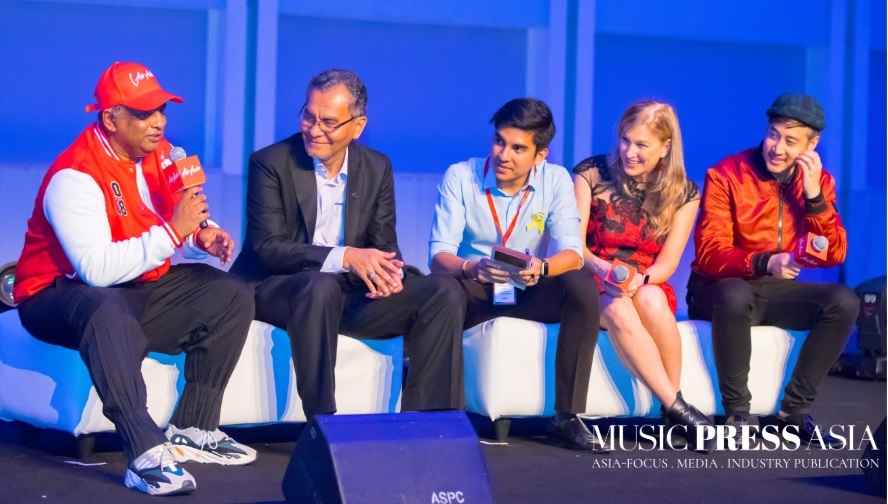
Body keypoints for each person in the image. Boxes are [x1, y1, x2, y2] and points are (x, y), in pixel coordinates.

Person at [13, 62, 257, 496]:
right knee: (104, 305)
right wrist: (173, 232)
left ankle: (194, 427)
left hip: (132, 286)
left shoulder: (162, 155)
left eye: (161, 110)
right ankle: (144, 451)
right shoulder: (76, 175)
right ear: (110, 118)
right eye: (144, 114)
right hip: (55, 294)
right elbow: (97, 271)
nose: (158, 122)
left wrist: (204, 233)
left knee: (230, 293)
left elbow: (173, 212)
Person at [230, 69, 465, 421]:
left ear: (357, 126)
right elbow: (268, 248)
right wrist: (347, 257)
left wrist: (388, 274)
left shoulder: (376, 167)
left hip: (348, 293)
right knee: (319, 286)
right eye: (308, 116)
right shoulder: (270, 163)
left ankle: (429, 424)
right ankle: (322, 423)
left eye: (328, 122)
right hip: (281, 287)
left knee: (443, 291)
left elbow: (385, 245)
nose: (313, 128)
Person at [429, 98, 608, 453]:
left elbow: (572, 254)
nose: (503, 155)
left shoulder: (555, 180)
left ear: (540, 155)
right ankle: (444, 415)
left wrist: (541, 268)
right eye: (499, 141)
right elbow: (438, 256)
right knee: (439, 289)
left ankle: (566, 418)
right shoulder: (460, 176)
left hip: (527, 288)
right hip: (474, 290)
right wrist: (472, 268)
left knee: (580, 286)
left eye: (517, 148)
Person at [687, 93, 859, 446]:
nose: (777, 148)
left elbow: (834, 252)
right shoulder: (725, 174)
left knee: (843, 301)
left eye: (790, 141)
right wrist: (767, 261)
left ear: (813, 145)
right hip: (716, 288)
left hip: (770, 289)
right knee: (735, 293)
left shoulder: (819, 182)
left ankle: (791, 414)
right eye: (773, 135)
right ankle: (737, 413)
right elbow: (709, 253)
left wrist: (814, 198)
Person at [573, 100, 713, 450]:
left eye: (641, 145)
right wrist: (603, 268)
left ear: (666, 147)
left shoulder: (684, 193)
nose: (629, 153)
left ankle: (672, 406)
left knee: (651, 298)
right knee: (620, 307)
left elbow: (667, 263)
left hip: (644, 279)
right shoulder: (590, 173)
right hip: (593, 275)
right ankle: (678, 408)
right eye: (625, 140)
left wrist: (642, 279)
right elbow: (574, 247)